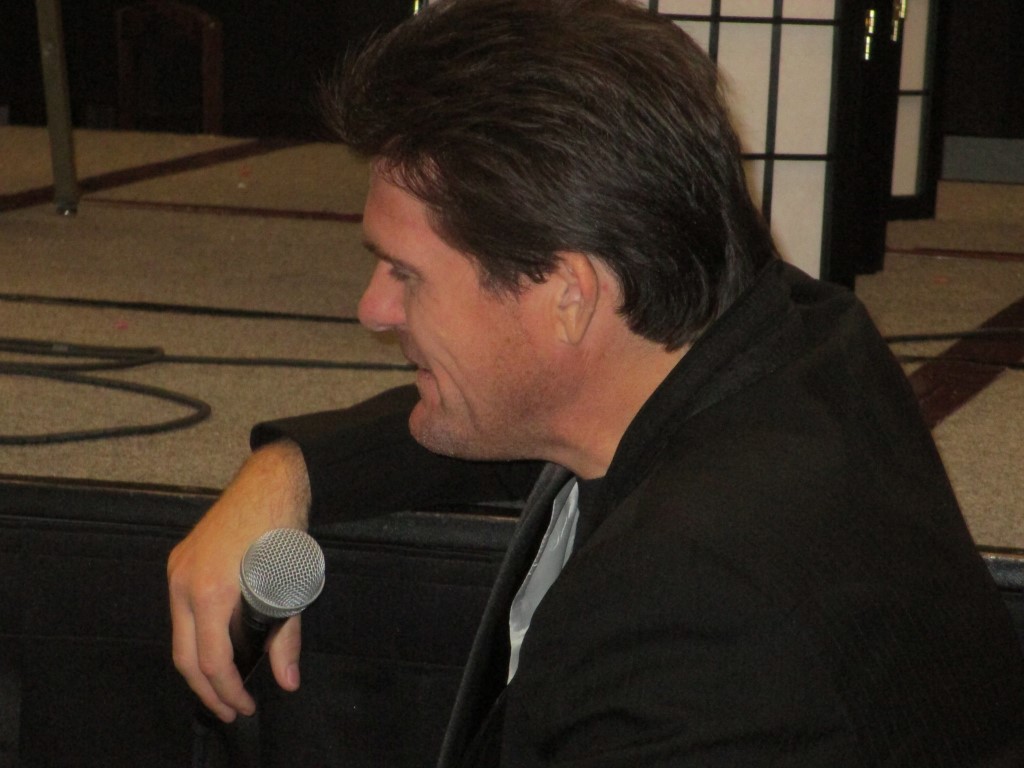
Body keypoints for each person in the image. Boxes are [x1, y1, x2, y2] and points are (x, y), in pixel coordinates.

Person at [167, 0, 1024, 765]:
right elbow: (507, 410)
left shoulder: (692, 609)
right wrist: (292, 469)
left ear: (569, 296)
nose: (374, 309)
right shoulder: (792, 338)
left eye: (406, 273)